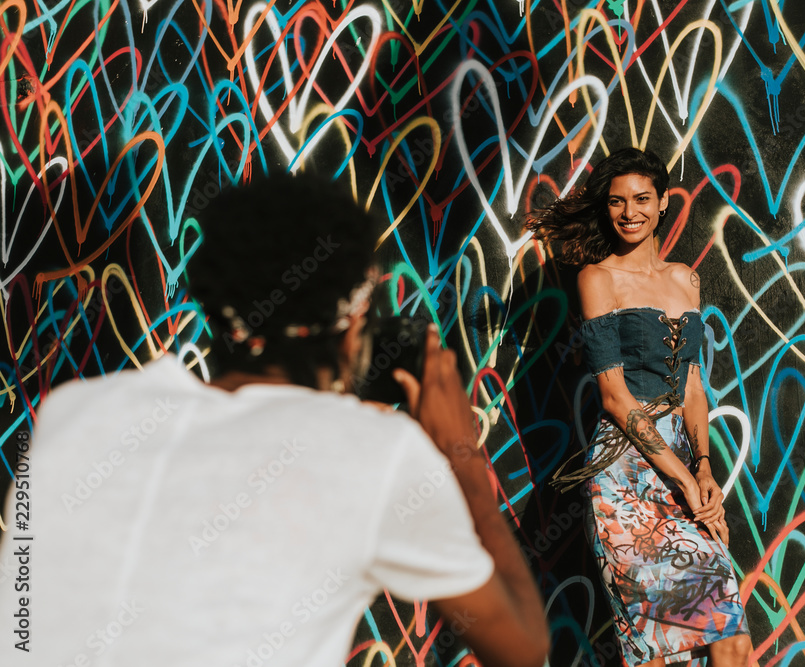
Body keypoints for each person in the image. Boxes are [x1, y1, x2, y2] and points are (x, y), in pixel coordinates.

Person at [0, 173, 549, 666]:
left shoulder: (75, 413)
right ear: (353, 322)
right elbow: (522, 648)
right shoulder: (377, 453)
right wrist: (462, 454)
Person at [526, 148, 752, 666]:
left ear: (664, 203)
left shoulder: (684, 279)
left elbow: (694, 386)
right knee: (659, 651)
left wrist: (704, 466)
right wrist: (683, 479)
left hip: (683, 467)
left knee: (731, 641)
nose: (630, 212)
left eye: (642, 199)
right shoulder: (597, 278)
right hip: (626, 477)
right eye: (617, 202)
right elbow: (614, 397)